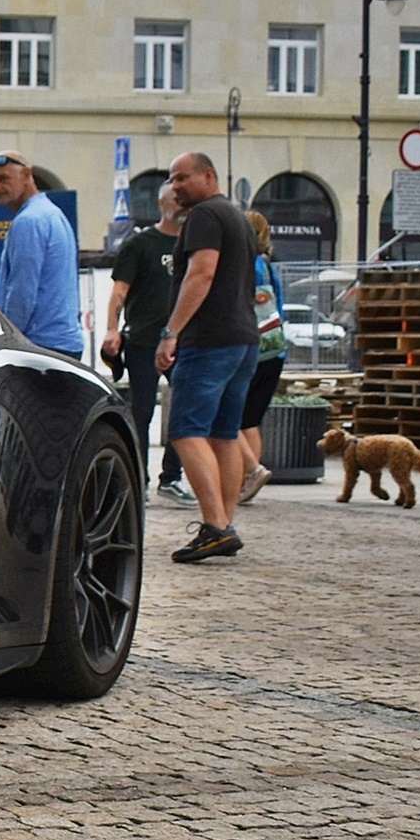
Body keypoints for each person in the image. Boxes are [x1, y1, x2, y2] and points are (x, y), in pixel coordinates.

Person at [157, 152, 260, 563]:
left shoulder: (204, 217)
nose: (175, 186)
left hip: (210, 339)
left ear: (209, 176)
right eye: (172, 179)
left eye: (183, 178)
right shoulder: (236, 216)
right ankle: (223, 525)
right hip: (242, 338)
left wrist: (172, 332)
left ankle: (216, 525)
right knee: (223, 434)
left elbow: (202, 273)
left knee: (185, 430)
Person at [100, 184, 189, 502]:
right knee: (141, 411)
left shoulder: (195, 245)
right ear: (160, 202)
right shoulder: (140, 244)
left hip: (184, 342)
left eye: (183, 199)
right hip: (143, 340)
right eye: (174, 199)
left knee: (183, 409)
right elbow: (119, 292)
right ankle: (139, 477)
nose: (179, 205)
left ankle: (172, 478)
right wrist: (112, 329)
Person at [0, 150, 81, 354]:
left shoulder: (28, 222)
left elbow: (22, 291)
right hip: (63, 342)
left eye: (3, 179)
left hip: (40, 344)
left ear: (27, 175)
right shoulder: (53, 214)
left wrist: (8, 340)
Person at [234, 211, 291, 505]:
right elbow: (279, 306)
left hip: (250, 348)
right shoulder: (270, 267)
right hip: (275, 347)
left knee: (232, 416)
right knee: (251, 419)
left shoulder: (246, 266)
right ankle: (250, 475)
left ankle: (249, 474)